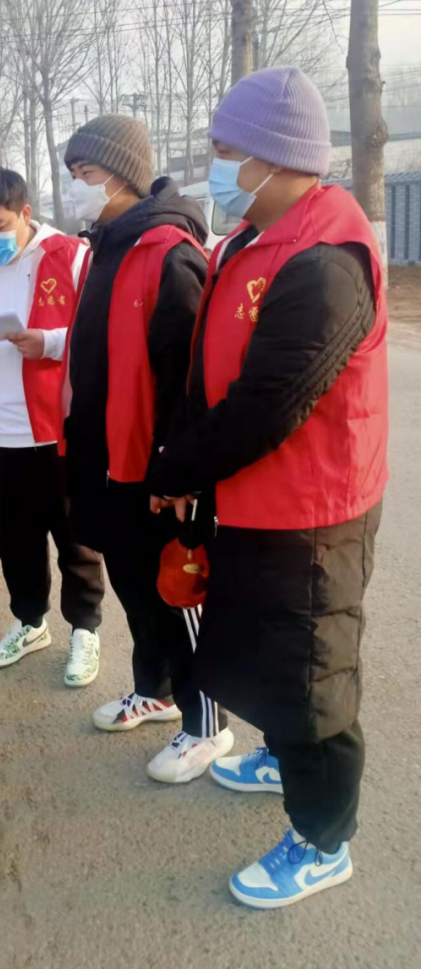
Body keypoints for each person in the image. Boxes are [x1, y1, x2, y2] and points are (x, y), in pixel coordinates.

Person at [148, 66, 388, 908]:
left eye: (224, 149)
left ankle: (323, 840)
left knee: (312, 677)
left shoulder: (325, 261)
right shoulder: (251, 239)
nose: (215, 165)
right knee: (260, 650)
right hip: (253, 500)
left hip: (311, 514)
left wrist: (176, 467)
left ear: (274, 156)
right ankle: (281, 754)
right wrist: (189, 467)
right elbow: (210, 371)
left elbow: (267, 406)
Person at [62, 114, 233, 784]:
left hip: (154, 470)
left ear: (123, 175)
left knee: (175, 595)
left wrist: (179, 470)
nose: (76, 187)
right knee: (135, 588)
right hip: (107, 462)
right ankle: (155, 690)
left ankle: (207, 723)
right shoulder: (104, 247)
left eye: (85, 173)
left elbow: (192, 379)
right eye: (72, 174)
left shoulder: (168, 252)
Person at [0, 166, 105, 686]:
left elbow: (98, 333)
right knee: (15, 538)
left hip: (58, 428)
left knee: (75, 537)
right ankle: (30, 623)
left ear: (25, 213)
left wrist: (48, 342)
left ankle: (85, 630)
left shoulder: (70, 257)